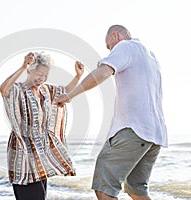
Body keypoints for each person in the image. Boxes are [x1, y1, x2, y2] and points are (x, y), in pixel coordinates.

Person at [57, 25, 168, 200]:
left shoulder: (125, 46)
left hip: (134, 130)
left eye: (109, 46)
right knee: (136, 190)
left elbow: (103, 72)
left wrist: (71, 94)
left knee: (104, 188)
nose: (110, 50)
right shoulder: (150, 56)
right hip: (155, 135)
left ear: (115, 36)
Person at [0, 51, 84, 200]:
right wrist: (22, 66)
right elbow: (4, 89)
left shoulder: (46, 91)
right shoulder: (18, 89)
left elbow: (65, 92)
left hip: (40, 153)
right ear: (30, 71)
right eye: (39, 74)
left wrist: (78, 76)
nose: (42, 78)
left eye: (45, 75)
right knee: (30, 195)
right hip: (22, 150)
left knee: (40, 195)